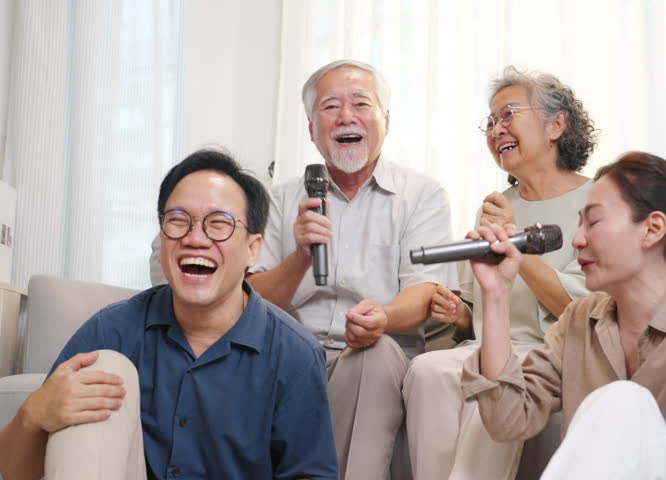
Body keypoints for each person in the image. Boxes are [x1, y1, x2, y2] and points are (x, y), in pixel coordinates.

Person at [461, 102, 666, 479]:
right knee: (621, 401)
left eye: (593, 222)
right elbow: (508, 419)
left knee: (625, 400)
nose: (577, 240)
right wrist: (496, 295)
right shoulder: (580, 321)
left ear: (652, 229)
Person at [0, 150, 338, 480]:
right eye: (177, 220)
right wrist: (32, 415)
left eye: (218, 224)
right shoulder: (111, 331)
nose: (195, 238)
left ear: (253, 249)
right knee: (105, 367)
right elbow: (17, 473)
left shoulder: (295, 355)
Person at [247, 60, 456, 480]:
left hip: (377, 353)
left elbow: (424, 291)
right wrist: (301, 256)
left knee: (372, 354)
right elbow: (250, 300)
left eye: (361, 103)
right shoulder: (280, 199)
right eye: (330, 107)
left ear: (385, 120)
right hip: (295, 352)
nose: (346, 116)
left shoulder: (422, 195)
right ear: (311, 129)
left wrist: (384, 318)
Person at [403, 66, 597, 480]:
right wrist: (457, 312)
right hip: (487, 344)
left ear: (556, 125)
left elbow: (580, 308)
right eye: (490, 122)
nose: (496, 130)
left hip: (551, 353)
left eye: (508, 115)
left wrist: (516, 245)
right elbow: (474, 312)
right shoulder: (494, 206)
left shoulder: (598, 199)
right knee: (427, 370)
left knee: (494, 381)